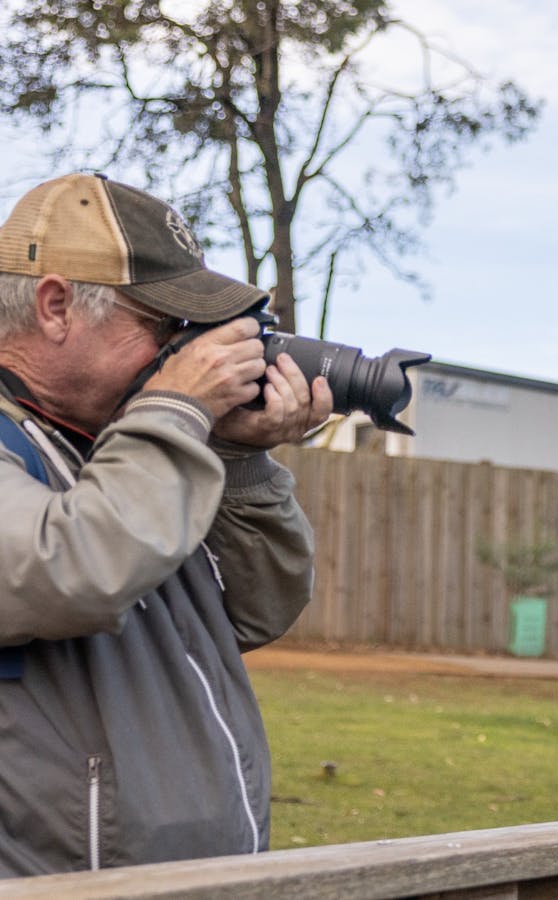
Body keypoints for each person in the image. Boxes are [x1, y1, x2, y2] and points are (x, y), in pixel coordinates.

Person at [0, 173, 333, 876]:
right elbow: (69, 571)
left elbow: (254, 613)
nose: (178, 356)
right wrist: (177, 409)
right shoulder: (115, 441)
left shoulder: (126, 447)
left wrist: (238, 459)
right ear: (56, 306)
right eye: (161, 328)